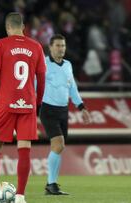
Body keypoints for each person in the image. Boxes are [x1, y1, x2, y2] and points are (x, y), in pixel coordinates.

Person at [0, 12, 46, 203]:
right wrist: (38, 104)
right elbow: (41, 79)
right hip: (28, 103)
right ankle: (20, 197)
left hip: (5, 103)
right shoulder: (36, 46)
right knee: (24, 147)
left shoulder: (1, 44)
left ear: (8, 27)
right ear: (23, 27)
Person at [40, 34, 91, 195]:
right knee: (58, 144)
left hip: (63, 110)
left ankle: (52, 184)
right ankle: (51, 184)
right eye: (58, 45)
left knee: (59, 148)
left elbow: (72, 88)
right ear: (50, 47)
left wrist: (81, 106)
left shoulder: (68, 65)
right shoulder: (43, 64)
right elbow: (33, 85)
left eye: (63, 45)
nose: (61, 48)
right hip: (47, 109)